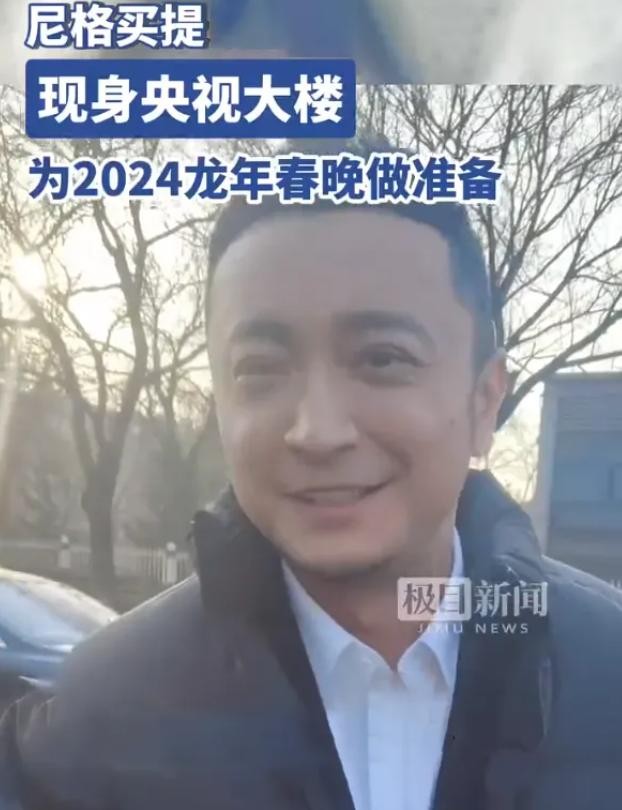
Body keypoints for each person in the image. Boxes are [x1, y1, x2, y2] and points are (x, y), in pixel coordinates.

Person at [2, 140, 622, 810]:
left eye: (382, 359)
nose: (317, 431)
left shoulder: (605, 670)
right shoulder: (103, 716)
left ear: (484, 400)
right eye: (260, 369)